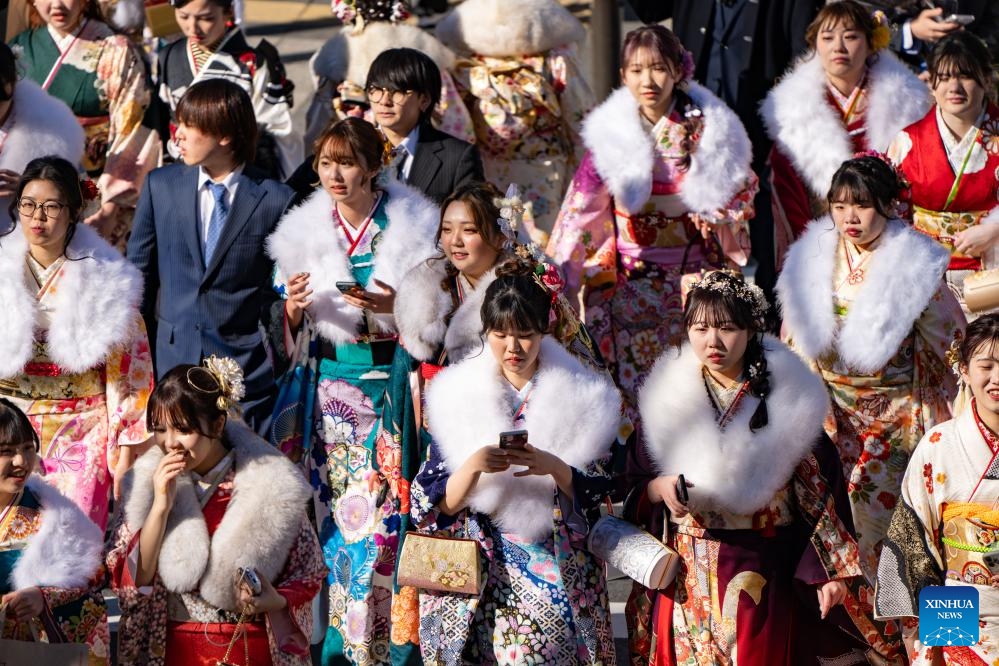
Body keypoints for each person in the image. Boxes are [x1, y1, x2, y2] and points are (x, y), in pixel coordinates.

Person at [776, 155, 966, 662]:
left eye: (861, 205)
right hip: (831, 416)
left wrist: (962, 416)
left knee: (899, 536)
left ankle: (926, 645)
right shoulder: (813, 256)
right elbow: (795, 338)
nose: (849, 217)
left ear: (888, 204)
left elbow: (952, 344)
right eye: (840, 206)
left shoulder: (915, 264)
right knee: (839, 533)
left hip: (898, 419)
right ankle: (873, 646)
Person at [266, 116, 439, 665]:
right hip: (333, 395)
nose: (334, 174)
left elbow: (440, 309)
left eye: (346, 162)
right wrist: (292, 308)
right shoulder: (303, 229)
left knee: (390, 520)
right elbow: (285, 317)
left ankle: (393, 649)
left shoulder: (413, 224)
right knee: (339, 523)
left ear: (373, 166)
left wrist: (397, 310)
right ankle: (341, 648)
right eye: (324, 163)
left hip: (393, 386)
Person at [628, 270, 862, 665]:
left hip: (763, 562)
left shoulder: (787, 399)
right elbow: (633, 481)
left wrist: (828, 571)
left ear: (752, 329)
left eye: (727, 328)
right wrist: (657, 489)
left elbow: (822, 493)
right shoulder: (667, 400)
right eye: (700, 328)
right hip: (688, 569)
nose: (712, 341)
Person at [546, 24, 757, 426]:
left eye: (659, 67)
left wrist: (717, 207)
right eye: (637, 70)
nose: (648, 80)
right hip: (630, 282)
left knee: (697, 394)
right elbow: (580, 213)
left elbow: (743, 188)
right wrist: (563, 280)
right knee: (635, 397)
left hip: (694, 280)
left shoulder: (706, 129)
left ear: (679, 70)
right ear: (623, 76)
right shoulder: (610, 136)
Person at [411, 261, 620, 664]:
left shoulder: (582, 395)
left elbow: (601, 490)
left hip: (559, 562)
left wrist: (552, 465)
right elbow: (434, 507)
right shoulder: (458, 396)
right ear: (485, 332)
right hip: (485, 570)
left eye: (526, 335)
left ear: (545, 331)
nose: (513, 348)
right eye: (501, 335)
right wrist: (472, 465)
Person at [107, 358, 326, 665]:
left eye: (182, 429)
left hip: (248, 644)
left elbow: (310, 570)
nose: (170, 443)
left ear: (218, 424)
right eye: (159, 430)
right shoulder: (145, 482)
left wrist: (275, 600)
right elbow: (134, 580)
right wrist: (159, 506)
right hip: (176, 642)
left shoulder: (270, 486)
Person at [624, 0, 824, 299]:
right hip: (691, 126)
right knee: (696, 235)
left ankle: (769, 314)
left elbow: (804, 54)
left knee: (767, 228)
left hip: (765, 126)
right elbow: (649, 10)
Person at [128, 79, 294, 435]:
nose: (179, 135)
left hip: (246, 368)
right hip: (173, 363)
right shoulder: (161, 186)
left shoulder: (275, 198)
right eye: (179, 123)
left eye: (190, 125)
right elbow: (138, 276)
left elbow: (278, 289)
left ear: (225, 135)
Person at [0, 156, 153, 529]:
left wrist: (125, 448)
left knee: (72, 539)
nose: (38, 217)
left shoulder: (109, 280)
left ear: (74, 210)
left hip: (80, 431)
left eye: (51, 206)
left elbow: (130, 376)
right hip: (7, 425)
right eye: (29, 204)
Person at [761, 0, 930, 266]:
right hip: (818, 238)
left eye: (851, 36)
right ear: (815, 44)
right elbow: (787, 188)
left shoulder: (904, 106)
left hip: (886, 238)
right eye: (827, 37)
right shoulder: (794, 113)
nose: (838, 47)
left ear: (871, 42)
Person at [875, 314, 999, 664]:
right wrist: (932, 637)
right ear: (964, 370)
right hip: (963, 606)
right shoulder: (939, 445)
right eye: (985, 366)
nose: (996, 379)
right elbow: (915, 545)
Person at [435, 0, 594, 244]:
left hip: (545, 170)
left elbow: (580, 119)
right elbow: (456, 122)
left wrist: (585, 175)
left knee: (544, 246)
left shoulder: (553, 56)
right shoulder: (464, 58)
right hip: (486, 169)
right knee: (493, 242)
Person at [10, 0, 161, 251]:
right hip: (29, 196)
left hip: (94, 193)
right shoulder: (18, 49)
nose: (57, 4)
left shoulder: (115, 50)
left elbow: (132, 131)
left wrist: (110, 206)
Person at [887, 32, 999, 317]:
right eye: (944, 77)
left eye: (965, 76)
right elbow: (892, 214)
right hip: (925, 276)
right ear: (932, 83)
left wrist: (993, 230)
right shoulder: (908, 142)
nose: (954, 87)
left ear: (986, 79)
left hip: (992, 273)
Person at [289, 47, 483, 207]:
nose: (384, 101)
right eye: (376, 90)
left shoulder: (457, 157)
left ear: (424, 100)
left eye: (397, 92)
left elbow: (473, 219)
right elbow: (288, 196)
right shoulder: (345, 142)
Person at [0, 398, 110, 663]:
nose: (21, 461)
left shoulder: (55, 516)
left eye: (27, 448)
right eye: (6, 450)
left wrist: (43, 598)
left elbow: (92, 584)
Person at [302, 0, 474, 157]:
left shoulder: (338, 51)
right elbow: (451, 116)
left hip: (354, 145)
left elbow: (319, 119)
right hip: (415, 143)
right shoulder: (420, 46)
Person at [156, 0, 300, 179]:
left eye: (206, 18)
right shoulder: (169, 56)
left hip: (239, 176)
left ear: (229, 12)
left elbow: (279, 129)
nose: (192, 28)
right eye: (183, 16)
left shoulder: (255, 64)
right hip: (183, 170)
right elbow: (161, 122)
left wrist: (291, 186)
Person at [0, 42, 83, 223]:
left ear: (14, 81)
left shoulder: (57, 127)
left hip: (26, 235)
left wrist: (33, 189)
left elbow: (84, 191)